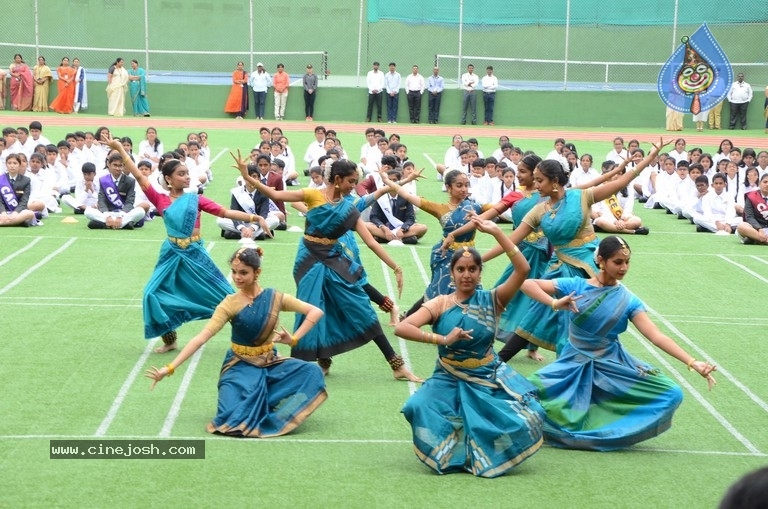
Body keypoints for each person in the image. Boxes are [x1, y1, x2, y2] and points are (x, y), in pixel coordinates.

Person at [232, 153, 420, 382]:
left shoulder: (349, 208)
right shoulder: (313, 194)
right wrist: (246, 175)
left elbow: (370, 241)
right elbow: (274, 193)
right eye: (351, 181)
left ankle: (396, 364)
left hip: (335, 258)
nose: (354, 186)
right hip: (308, 259)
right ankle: (319, 360)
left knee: (361, 308)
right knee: (312, 307)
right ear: (338, 179)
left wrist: (396, 267)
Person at [523, 236, 716, 450]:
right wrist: (554, 302)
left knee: (672, 394)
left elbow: (656, 336)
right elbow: (527, 284)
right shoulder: (575, 286)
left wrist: (692, 362)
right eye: (618, 262)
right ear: (601, 261)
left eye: (627, 262)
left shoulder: (628, 300)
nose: (624, 267)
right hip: (573, 362)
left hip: (611, 365)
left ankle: (603, 435)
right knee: (523, 393)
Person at [484, 138, 671, 359]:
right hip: (560, 268)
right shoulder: (538, 211)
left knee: (596, 315)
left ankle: (604, 358)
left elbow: (621, 182)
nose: (536, 186)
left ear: (554, 181)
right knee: (536, 314)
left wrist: (649, 158)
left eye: (540, 180)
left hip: (589, 265)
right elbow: (513, 239)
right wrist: (482, 256)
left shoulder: (581, 196)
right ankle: (499, 361)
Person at [395, 218, 545, 478]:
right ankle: (453, 454)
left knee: (530, 416)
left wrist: (498, 231)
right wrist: (443, 340)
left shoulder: (493, 300)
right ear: (452, 273)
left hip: (487, 374)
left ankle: (482, 451)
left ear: (479, 272)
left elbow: (522, 270)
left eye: (473, 269)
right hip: (448, 374)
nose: (467, 275)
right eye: (461, 269)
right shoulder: (441, 303)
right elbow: (402, 328)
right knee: (415, 406)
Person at [104, 135, 268, 353]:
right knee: (151, 294)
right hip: (171, 253)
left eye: (187, 173)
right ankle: (169, 339)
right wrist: (119, 149)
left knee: (226, 295)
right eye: (181, 174)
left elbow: (225, 212)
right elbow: (136, 173)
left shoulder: (195, 199)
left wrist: (255, 218)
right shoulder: (160, 199)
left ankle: (253, 333)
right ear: (169, 179)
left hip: (194, 252)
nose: (186, 177)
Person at [145, 246, 328, 438]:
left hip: (270, 362)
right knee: (231, 418)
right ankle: (261, 401)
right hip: (239, 365)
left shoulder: (275, 297)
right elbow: (201, 338)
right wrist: (170, 368)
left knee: (312, 372)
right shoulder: (229, 303)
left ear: (257, 272)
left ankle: (277, 413)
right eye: (234, 272)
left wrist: (294, 338)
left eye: (243, 272)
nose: (237, 277)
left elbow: (315, 312)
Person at [379, 169, 495, 318]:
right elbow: (407, 195)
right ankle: (411, 317)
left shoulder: (476, 207)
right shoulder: (440, 209)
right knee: (437, 288)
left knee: (471, 288)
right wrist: (387, 180)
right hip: (446, 255)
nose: (464, 189)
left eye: (467, 185)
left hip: (469, 256)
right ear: (448, 187)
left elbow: (499, 207)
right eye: (459, 185)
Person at [365, 169, 428, 244]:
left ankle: (384, 239)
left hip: (402, 229)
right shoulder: (381, 196)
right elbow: (373, 217)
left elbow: (410, 218)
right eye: (389, 180)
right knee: (365, 225)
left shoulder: (406, 196)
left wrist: (402, 229)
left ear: (399, 182)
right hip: (384, 229)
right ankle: (404, 239)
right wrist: (384, 228)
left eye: (394, 180)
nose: (391, 182)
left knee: (422, 228)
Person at [84, 153, 146, 229]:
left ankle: (106, 224)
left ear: (123, 166)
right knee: (88, 211)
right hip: (108, 213)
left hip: (124, 213)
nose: (117, 168)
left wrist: (121, 216)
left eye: (120, 165)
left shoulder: (130, 181)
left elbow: (130, 202)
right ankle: (123, 224)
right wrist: (107, 216)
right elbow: (101, 200)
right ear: (109, 165)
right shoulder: (103, 180)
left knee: (140, 211)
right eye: (115, 165)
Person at [217, 162, 276, 240]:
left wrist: (252, 228)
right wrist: (243, 228)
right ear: (244, 178)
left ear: (259, 178)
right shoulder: (237, 192)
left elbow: (264, 214)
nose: (251, 180)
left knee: (275, 220)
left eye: (254, 177)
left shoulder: (264, 192)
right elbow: (233, 213)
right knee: (220, 221)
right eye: (249, 177)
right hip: (242, 222)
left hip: (257, 223)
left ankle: (236, 234)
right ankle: (257, 234)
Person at [0, 154, 36, 226]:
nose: (12, 166)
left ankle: (3, 222)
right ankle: (15, 222)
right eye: (9, 163)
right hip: (2, 212)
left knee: (30, 214)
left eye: (15, 163)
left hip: (18, 212)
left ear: (19, 165)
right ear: (6, 165)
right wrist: (3, 212)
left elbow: (24, 201)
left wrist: (15, 212)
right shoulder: (1, 179)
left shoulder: (26, 180)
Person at [736, 173, 768, 245]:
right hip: (755, 229)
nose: (767, 184)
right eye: (765, 182)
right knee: (741, 227)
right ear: (759, 183)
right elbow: (749, 217)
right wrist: (759, 229)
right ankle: (763, 240)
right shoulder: (751, 196)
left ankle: (756, 240)